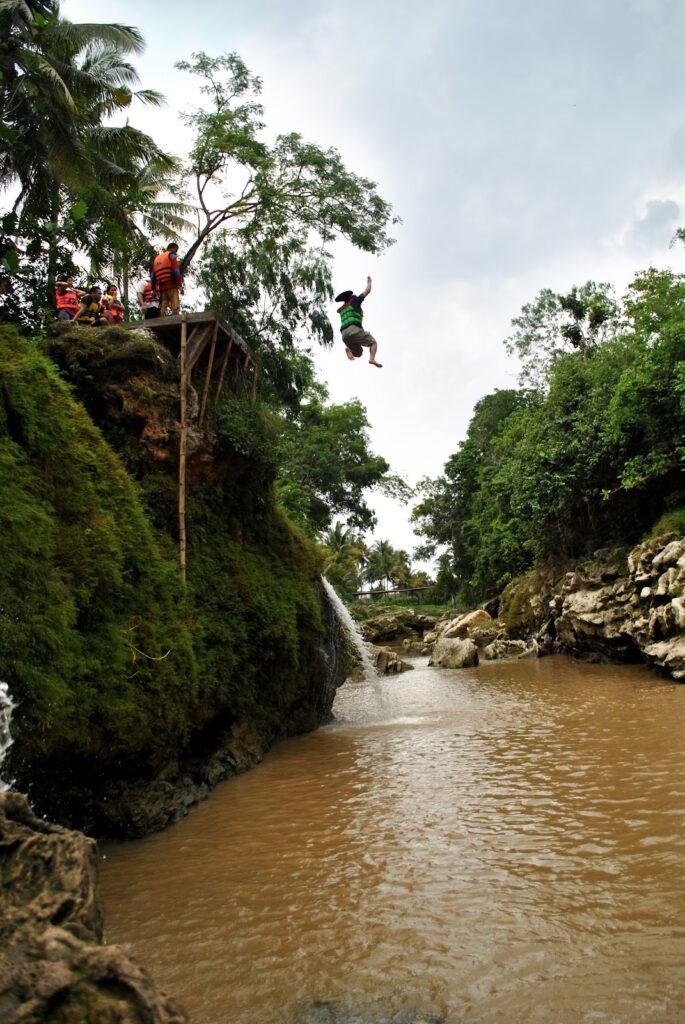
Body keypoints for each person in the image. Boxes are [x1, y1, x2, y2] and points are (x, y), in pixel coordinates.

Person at [335, 276, 382, 368]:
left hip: (344, 335)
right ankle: (372, 358)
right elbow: (367, 291)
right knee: (373, 343)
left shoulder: (342, 309)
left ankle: (349, 349)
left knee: (359, 353)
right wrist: (369, 282)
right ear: (352, 298)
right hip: (354, 330)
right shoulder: (354, 302)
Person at [151, 242, 182, 316]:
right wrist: (179, 283)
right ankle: (176, 321)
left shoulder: (157, 258)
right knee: (175, 304)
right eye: (176, 250)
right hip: (171, 284)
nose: (176, 252)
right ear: (173, 248)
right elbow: (176, 271)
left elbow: (152, 276)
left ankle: (161, 320)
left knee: (163, 305)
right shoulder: (171, 255)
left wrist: (153, 289)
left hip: (162, 287)